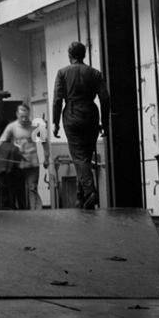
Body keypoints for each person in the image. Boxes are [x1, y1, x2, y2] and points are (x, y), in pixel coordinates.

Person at [52, 41, 109, 210]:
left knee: (79, 158)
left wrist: (55, 123)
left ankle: (90, 192)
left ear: (70, 56)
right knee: (85, 156)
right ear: (84, 55)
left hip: (72, 115)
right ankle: (81, 198)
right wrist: (104, 122)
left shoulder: (62, 73)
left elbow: (57, 100)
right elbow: (105, 98)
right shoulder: (95, 73)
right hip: (91, 114)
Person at [0, 103, 48, 210]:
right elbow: (1, 141)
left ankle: (35, 212)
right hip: (17, 164)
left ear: (29, 115)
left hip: (33, 163)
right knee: (18, 189)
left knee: (32, 188)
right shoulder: (12, 127)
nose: (24, 119)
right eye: (21, 117)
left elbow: (45, 143)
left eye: (26, 116)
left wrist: (47, 158)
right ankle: (22, 211)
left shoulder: (35, 126)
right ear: (17, 115)